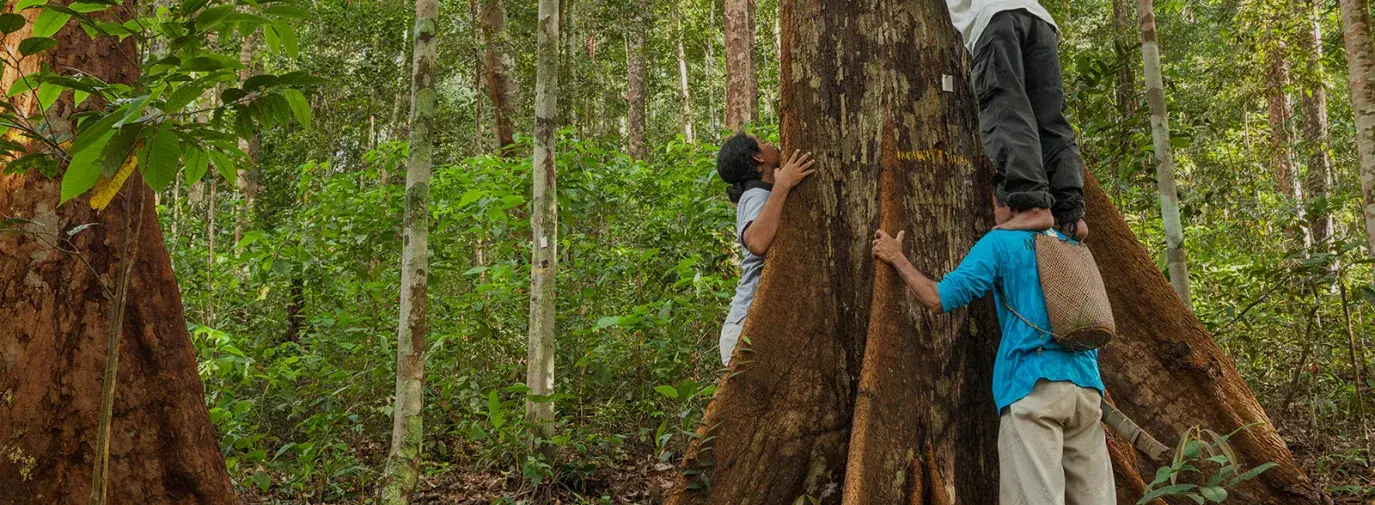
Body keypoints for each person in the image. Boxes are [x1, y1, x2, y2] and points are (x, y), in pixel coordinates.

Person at [871, 196, 1114, 505]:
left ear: (1010, 207)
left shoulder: (1000, 241)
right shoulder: (1068, 237)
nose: (993, 213)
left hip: (1032, 389)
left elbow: (938, 298)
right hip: (1086, 390)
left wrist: (896, 257)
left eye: (994, 205)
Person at [946, 0, 1088, 239]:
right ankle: (1071, 216)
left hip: (995, 17)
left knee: (1008, 111)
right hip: (1039, 21)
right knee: (1051, 122)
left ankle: (1032, 205)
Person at [715, 132, 815, 366]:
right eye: (762, 142)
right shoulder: (754, 195)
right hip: (745, 325)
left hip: (753, 324)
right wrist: (782, 184)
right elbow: (757, 242)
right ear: (757, 158)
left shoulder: (761, 192)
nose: (770, 143)